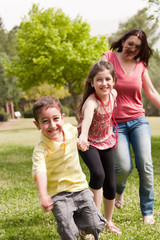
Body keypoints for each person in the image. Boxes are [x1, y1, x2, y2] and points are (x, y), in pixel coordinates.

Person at [101, 29, 160, 224]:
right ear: (123, 40)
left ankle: (147, 211)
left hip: (138, 121)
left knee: (145, 165)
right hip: (115, 122)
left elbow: (151, 91)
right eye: (130, 43)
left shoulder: (140, 65)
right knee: (123, 167)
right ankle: (119, 190)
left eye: (138, 47)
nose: (132, 48)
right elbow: (95, 81)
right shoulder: (109, 57)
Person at [32, 96, 106, 240]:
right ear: (37, 125)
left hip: (80, 188)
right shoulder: (41, 149)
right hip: (59, 195)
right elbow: (40, 172)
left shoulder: (71, 131)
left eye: (56, 118)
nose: (52, 125)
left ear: (63, 117)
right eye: (45, 121)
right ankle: (73, 230)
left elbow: (83, 133)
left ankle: (83, 229)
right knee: (69, 233)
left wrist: (81, 142)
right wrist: (44, 195)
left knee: (96, 225)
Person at [77, 61, 122, 234]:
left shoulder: (114, 94)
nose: (104, 83)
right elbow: (86, 122)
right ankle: (93, 220)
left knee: (110, 183)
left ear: (114, 80)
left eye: (107, 79)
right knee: (98, 174)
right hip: (88, 142)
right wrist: (82, 138)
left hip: (106, 140)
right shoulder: (91, 102)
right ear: (92, 82)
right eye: (99, 80)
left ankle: (108, 221)